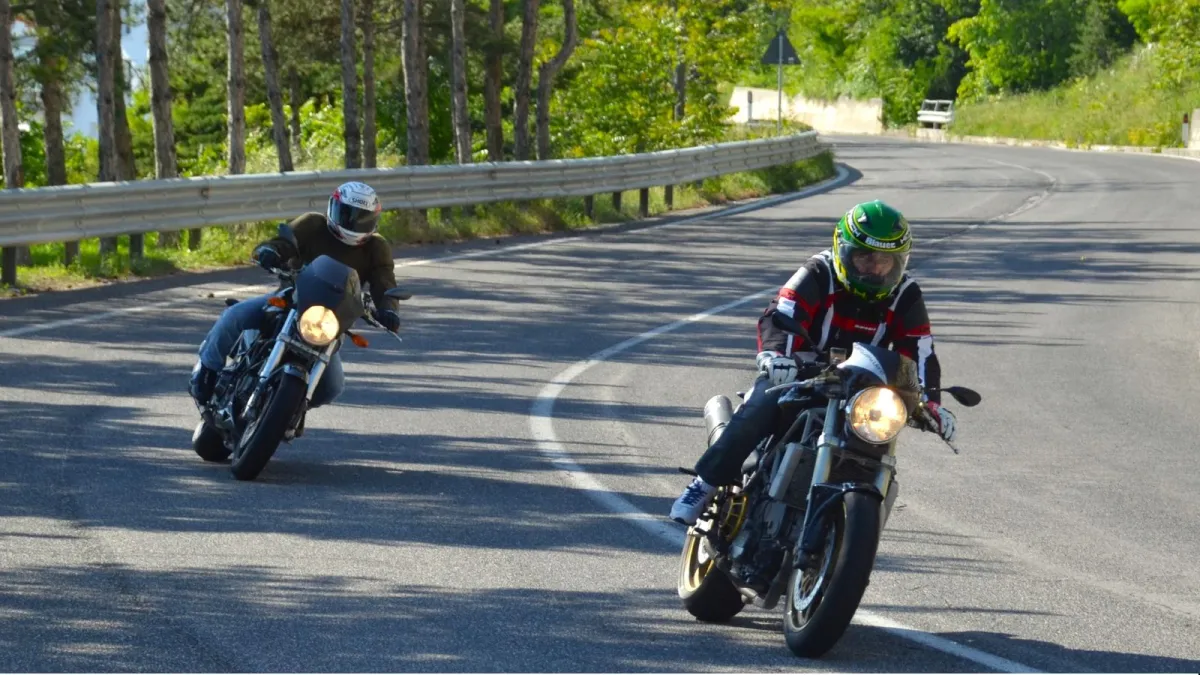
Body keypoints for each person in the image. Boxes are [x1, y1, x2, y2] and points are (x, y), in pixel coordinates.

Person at [669, 199, 958, 525]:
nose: (875, 269)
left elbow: (920, 350)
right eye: (865, 257)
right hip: (802, 369)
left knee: (882, 436)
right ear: (843, 249)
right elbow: (783, 314)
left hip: (864, 386)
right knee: (765, 401)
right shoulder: (818, 272)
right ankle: (703, 484)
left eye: (886, 262)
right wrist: (777, 357)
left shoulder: (906, 294)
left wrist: (931, 403)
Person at [188, 181, 403, 411]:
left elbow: (384, 281)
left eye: (363, 218)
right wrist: (271, 251)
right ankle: (206, 371)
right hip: (292, 299)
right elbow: (285, 241)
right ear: (333, 206)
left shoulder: (377, 247)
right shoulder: (313, 223)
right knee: (235, 315)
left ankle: (286, 411)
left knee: (332, 387)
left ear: (374, 220)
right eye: (348, 214)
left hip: (332, 320)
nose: (353, 222)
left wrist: (388, 309)